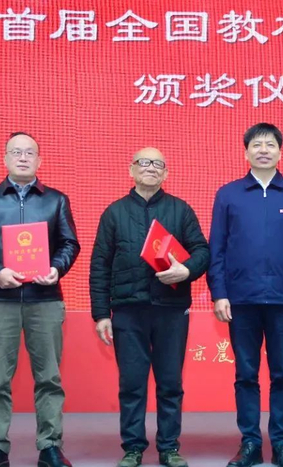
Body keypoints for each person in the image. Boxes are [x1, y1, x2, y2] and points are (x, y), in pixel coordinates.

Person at [89, 147, 210, 467]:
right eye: (144, 162)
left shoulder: (180, 210)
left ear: (166, 173)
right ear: (131, 169)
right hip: (128, 312)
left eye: (158, 164)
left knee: (170, 383)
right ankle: (132, 447)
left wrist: (186, 270)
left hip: (171, 309)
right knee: (132, 383)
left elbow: (202, 251)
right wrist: (101, 313)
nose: (151, 168)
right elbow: (100, 265)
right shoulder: (114, 213)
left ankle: (169, 447)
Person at [0, 132, 80, 467]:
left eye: (29, 152)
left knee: (49, 378)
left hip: (45, 299)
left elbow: (69, 243)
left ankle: (50, 446)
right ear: (5, 158)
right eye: (16, 152)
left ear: (39, 160)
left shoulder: (56, 200)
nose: (23, 157)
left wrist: (56, 268)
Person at [207, 123, 283, 467]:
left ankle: (282, 444)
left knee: (282, 374)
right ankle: (250, 443)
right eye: (257, 145)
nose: (264, 150)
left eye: (270, 144)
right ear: (246, 152)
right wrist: (219, 293)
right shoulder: (229, 194)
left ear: (280, 152)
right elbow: (217, 247)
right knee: (246, 375)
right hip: (241, 300)